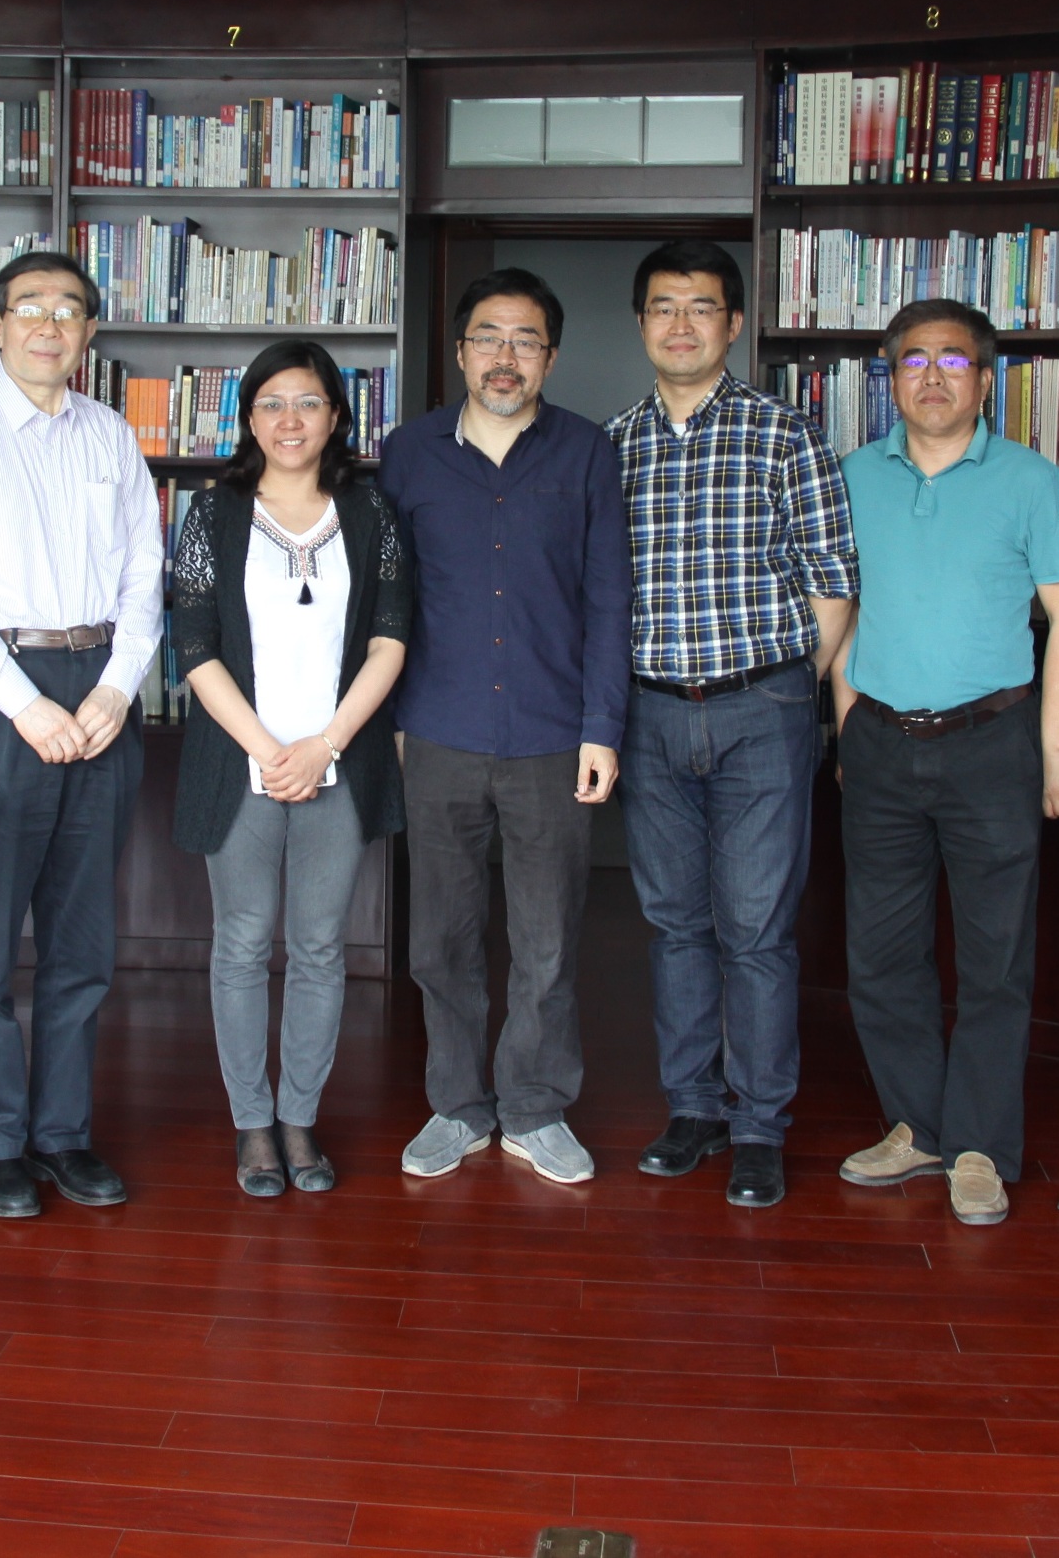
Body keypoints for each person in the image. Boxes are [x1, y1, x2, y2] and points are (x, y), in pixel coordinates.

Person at [0, 251, 163, 1221]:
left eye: (71, 311)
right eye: (32, 309)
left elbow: (145, 574)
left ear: (91, 332)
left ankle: (62, 1132)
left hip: (99, 686)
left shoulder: (111, 436)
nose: (51, 325)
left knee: (81, 938)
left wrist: (117, 686)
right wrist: (25, 702)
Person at [828, 297, 1059, 1227]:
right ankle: (918, 1123)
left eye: (951, 360)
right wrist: (848, 722)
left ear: (984, 379)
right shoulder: (853, 475)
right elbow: (842, 611)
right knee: (882, 954)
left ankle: (978, 1144)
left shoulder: (1030, 479)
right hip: (883, 741)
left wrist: (1054, 751)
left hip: (994, 743)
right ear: (888, 378)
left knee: (994, 956)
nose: (930, 376)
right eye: (910, 361)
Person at [609, 240, 856, 1210]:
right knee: (674, 924)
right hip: (649, 710)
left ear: (733, 323)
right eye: (662, 305)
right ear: (641, 324)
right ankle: (693, 1108)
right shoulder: (611, 442)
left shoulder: (783, 433)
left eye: (700, 306)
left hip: (763, 708)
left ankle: (759, 1123)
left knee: (755, 929)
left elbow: (833, 580)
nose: (680, 323)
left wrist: (789, 686)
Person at [378, 267, 631, 1187]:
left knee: (549, 935)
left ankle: (533, 1106)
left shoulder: (586, 454)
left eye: (525, 340)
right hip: (435, 730)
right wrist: (392, 720)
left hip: (552, 732)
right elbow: (383, 600)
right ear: (459, 350)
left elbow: (609, 600)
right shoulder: (406, 454)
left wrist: (601, 727)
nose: (505, 356)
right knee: (440, 936)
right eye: (489, 336)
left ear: (550, 357)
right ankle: (456, 1103)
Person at [169, 339, 411, 1198]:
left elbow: (390, 639)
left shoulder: (372, 512)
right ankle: (252, 1126)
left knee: (317, 946)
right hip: (240, 764)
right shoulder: (212, 512)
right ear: (248, 418)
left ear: (336, 416)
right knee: (239, 943)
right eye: (271, 403)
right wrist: (270, 751)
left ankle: (300, 1118)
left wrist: (325, 745)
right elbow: (192, 645)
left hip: (339, 762)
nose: (289, 420)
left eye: (307, 402)